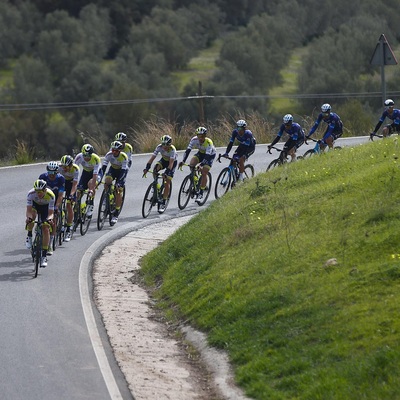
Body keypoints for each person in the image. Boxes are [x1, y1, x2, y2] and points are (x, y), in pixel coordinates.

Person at [179, 127, 216, 199]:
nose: (200, 138)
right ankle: (195, 180)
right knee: (191, 164)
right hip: (201, 153)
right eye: (198, 136)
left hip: (210, 155)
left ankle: (201, 192)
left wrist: (201, 164)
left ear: (205, 136)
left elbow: (207, 155)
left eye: (202, 136)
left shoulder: (209, 142)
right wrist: (183, 161)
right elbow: (188, 150)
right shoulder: (194, 139)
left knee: (204, 172)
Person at [25, 179, 55, 267]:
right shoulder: (31, 194)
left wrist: (49, 219)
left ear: (45, 190)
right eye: (37, 191)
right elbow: (28, 211)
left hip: (46, 208)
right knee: (32, 216)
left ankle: (44, 256)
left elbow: (51, 213)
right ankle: (29, 236)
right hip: (35, 206)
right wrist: (29, 218)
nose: (38, 194)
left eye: (40, 192)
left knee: (46, 228)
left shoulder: (51, 195)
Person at [143, 134, 177, 210]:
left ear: (170, 144)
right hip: (164, 160)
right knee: (155, 170)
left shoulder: (172, 150)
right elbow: (152, 158)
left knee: (167, 180)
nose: (164, 146)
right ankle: (156, 186)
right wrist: (147, 167)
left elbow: (171, 163)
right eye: (163, 144)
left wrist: (166, 172)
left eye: (166, 144)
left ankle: (164, 201)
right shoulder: (159, 147)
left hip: (172, 163)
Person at [38, 161, 65, 255]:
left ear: (57, 172)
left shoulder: (61, 179)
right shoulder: (43, 177)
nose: (51, 175)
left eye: (54, 173)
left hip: (56, 198)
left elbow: (61, 195)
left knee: (53, 219)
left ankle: (50, 242)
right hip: (45, 199)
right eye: (50, 172)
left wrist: (57, 207)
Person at [99, 140, 128, 225]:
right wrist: (100, 178)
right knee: (107, 181)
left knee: (118, 190)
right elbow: (103, 168)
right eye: (113, 150)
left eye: (116, 151)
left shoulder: (124, 157)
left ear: (119, 151)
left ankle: (116, 213)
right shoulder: (109, 155)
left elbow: (123, 171)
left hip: (121, 172)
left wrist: (119, 183)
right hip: (113, 169)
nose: (114, 152)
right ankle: (107, 196)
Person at [74, 144, 101, 217]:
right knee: (79, 191)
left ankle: (91, 204)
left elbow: (95, 175)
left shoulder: (96, 158)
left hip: (96, 173)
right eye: (84, 155)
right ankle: (77, 208)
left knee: (91, 184)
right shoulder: (79, 157)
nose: (86, 157)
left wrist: (91, 189)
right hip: (86, 172)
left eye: (88, 156)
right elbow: (74, 170)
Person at [58, 155, 79, 241]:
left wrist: (71, 195)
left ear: (71, 165)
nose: (64, 169)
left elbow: (74, 185)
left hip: (71, 184)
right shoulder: (59, 168)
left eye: (66, 167)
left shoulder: (75, 169)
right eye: (63, 167)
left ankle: (69, 228)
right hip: (63, 182)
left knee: (69, 205)